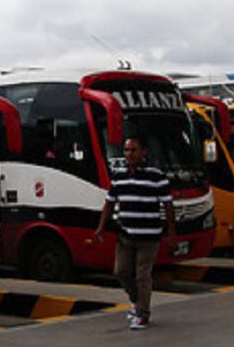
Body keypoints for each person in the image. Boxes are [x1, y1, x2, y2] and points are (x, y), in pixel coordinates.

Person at [93, 136, 176, 330]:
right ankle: (136, 301)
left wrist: (172, 234)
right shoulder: (119, 175)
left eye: (133, 150)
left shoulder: (156, 175)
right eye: (126, 150)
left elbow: (168, 206)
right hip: (125, 236)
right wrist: (100, 228)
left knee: (142, 276)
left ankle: (142, 315)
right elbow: (109, 203)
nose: (129, 154)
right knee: (120, 272)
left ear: (144, 152)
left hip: (149, 237)